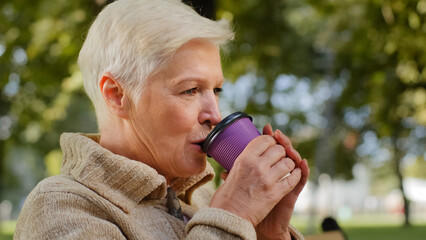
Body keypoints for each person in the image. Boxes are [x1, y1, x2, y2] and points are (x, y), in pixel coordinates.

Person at [14, 0, 310, 239]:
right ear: (117, 95)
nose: (214, 114)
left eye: (216, 90)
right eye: (190, 90)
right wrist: (231, 218)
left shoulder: (206, 200)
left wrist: (267, 233)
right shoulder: (60, 209)